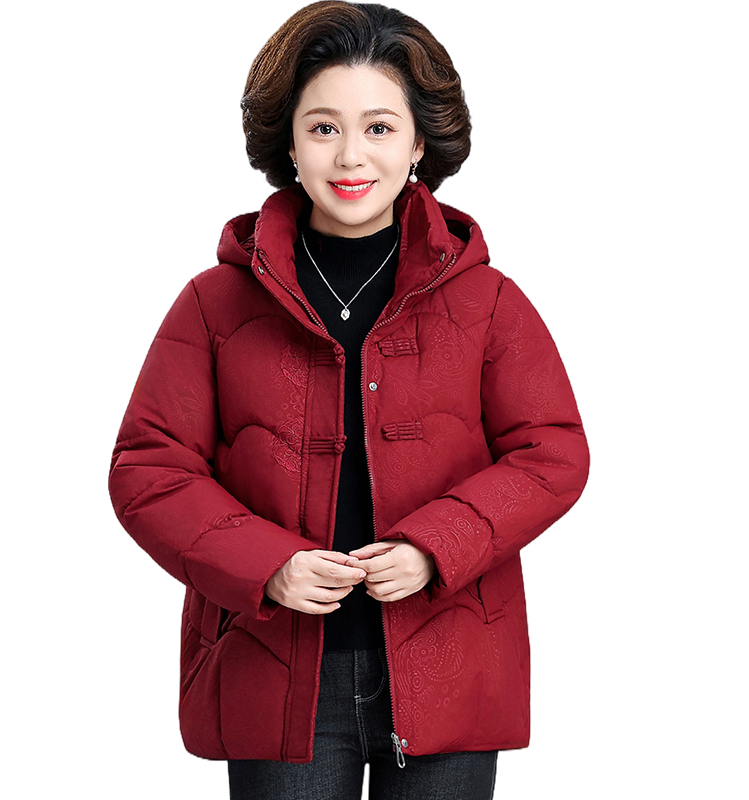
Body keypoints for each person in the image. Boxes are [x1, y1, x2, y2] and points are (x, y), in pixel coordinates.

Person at [108, 2, 589, 798]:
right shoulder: (213, 305)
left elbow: (552, 453)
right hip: (274, 673)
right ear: (289, 144)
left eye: (379, 127)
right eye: (324, 128)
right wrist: (267, 567)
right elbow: (148, 470)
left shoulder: (489, 302)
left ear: (419, 143)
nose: (350, 155)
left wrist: (435, 546)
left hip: (449, 664)